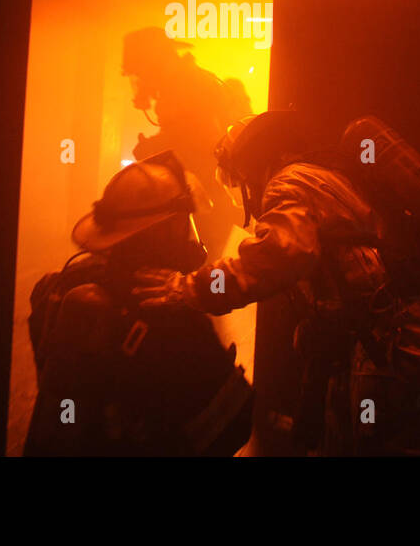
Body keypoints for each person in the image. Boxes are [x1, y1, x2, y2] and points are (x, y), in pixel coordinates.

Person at [132, 111, 420, 456]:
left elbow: (276, 256)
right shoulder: (321, 177)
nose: (242, 192)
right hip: (410, 355)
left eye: (236, 179)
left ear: (252, 162)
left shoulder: (289, 184)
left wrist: (189, 289)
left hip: (395, 361)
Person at [23, 150, 253, 456]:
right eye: (183, 221)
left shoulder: (62, 283)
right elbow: (232, 427)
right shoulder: (170, 310)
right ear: (164, 230)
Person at [121, 26, 250, 254]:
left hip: (211, 202)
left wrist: (154, 149)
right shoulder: (181, 84)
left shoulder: (186, 86)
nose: (139, 80)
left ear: (153, 63)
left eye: (140, 71)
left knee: (198, 266)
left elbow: (203, 145)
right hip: (209, 199)